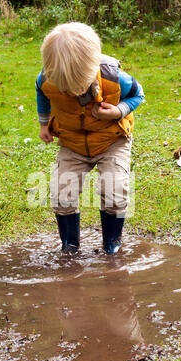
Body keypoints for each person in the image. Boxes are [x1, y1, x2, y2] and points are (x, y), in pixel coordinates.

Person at [35, 22, 144, 254]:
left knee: (115, 191)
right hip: (72, 142)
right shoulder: (48, 78)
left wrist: (118, 111)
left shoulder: (114, 77)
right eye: (65, 89)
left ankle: (111, 243)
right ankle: (70, 246)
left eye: (77, 88)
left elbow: (138, 94)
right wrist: (44, 123)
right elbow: (42, 93)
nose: (72, 94)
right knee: (61, 193)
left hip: (111, 140)